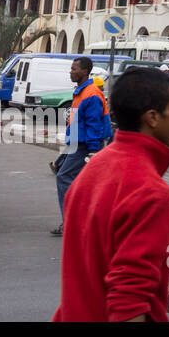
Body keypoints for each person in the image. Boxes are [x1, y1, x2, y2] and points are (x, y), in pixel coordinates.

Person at [53, 66, 169, 322]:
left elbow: (105, 264)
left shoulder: (95, 167)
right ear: (153, 117)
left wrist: (162, 295)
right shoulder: (152, 193)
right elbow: (127, 304)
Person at [52, 57, 111, 236]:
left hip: (84, 145)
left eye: (74, 69)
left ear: (85, 71)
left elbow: (94, 124)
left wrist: (93, 150)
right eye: (71, 68)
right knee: (81, 182)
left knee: (63, 177)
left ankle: (71, 222)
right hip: (78, 143)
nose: (71, 71)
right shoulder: (82, 91)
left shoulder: (91, 94)